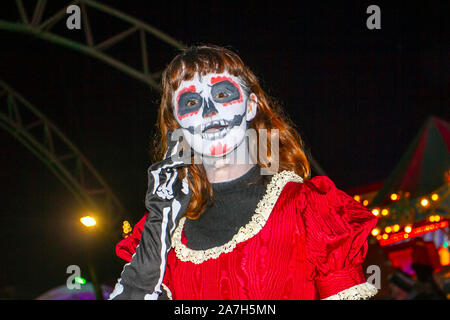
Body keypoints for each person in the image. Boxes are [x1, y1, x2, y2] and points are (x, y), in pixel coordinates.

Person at [109, 45, 379, 300]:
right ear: (176, 122)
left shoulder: (309, 210)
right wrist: (159, 224)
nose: (209, 112)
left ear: (250, 106)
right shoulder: (161, 227)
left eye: (223, 95)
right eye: (191, 102)